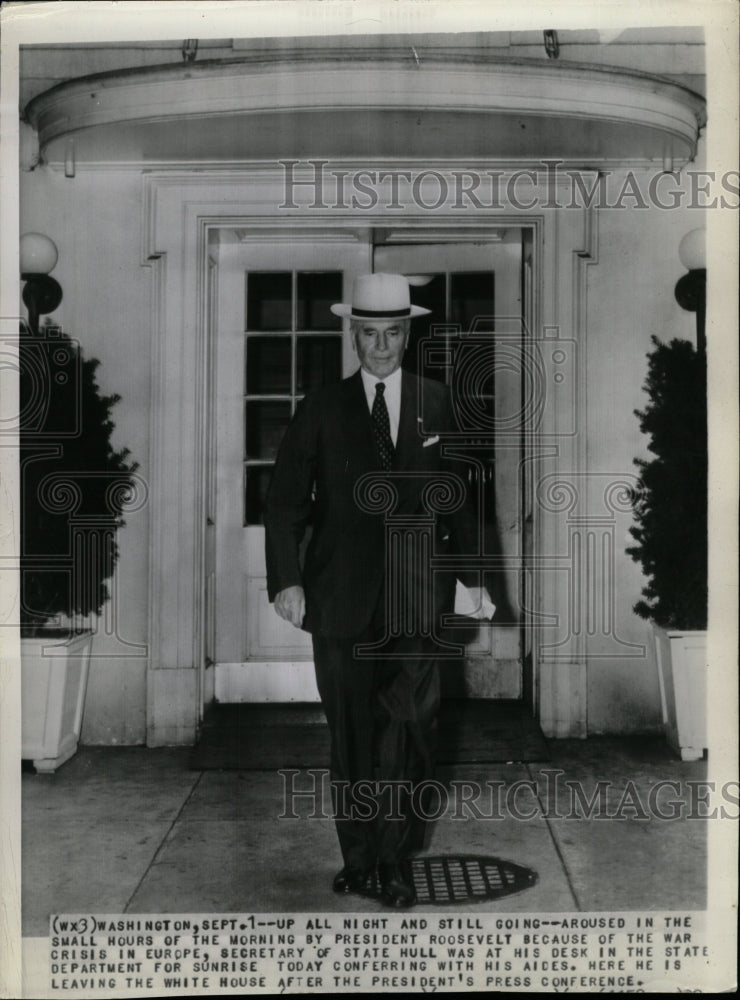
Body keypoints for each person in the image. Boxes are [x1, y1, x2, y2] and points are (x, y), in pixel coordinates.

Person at [264, 273, 490, 908]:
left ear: (407, 334)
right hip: (339, 602)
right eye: (370, 334)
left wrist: (473, 580)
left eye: (392, 333)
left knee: (410, 732)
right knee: (353, 736)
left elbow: (464, 503)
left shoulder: (438, 403)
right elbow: (284, 503)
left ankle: (395, 859)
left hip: (418, 600)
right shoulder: (322, 407)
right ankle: (359, 858)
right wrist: (287, 579)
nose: (381, 346)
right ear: (354, 335)